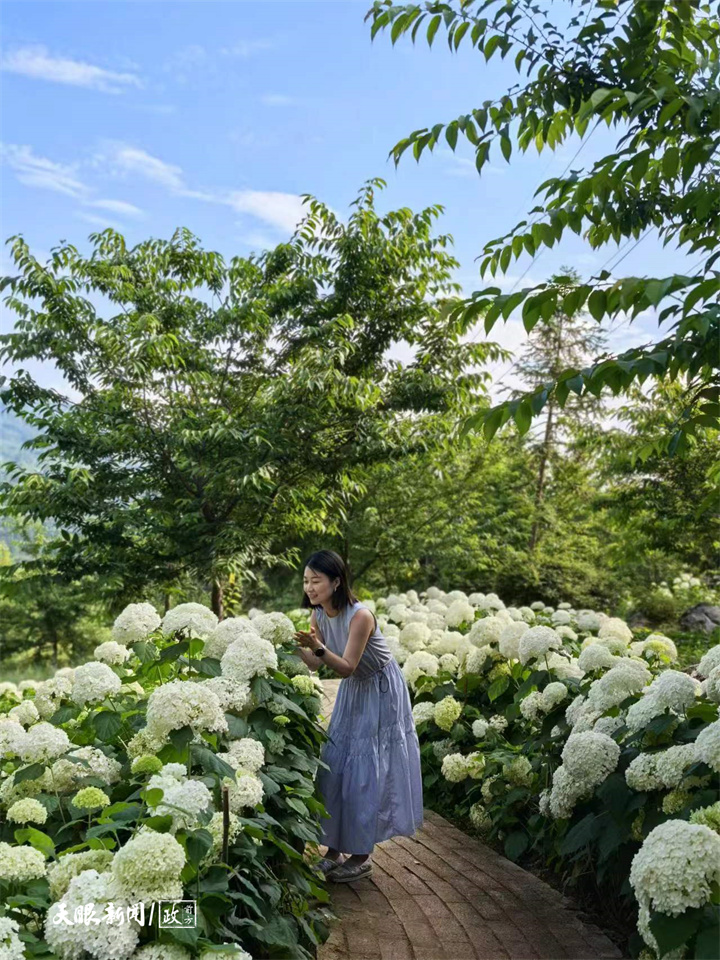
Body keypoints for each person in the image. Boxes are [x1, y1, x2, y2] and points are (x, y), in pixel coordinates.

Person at [293, 549, 424, 884]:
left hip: (380, 689)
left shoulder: (360, 616)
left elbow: (348, 667)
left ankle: (362, 855)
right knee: (336, 764)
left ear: (336, 582)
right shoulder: (318, 615)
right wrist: (294, 643)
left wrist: (317, 647)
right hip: (355, 691)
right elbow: (315, 664)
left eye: (316, 580)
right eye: (306, 581)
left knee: (366, 769)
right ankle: (333, 852)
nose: (309, 587)